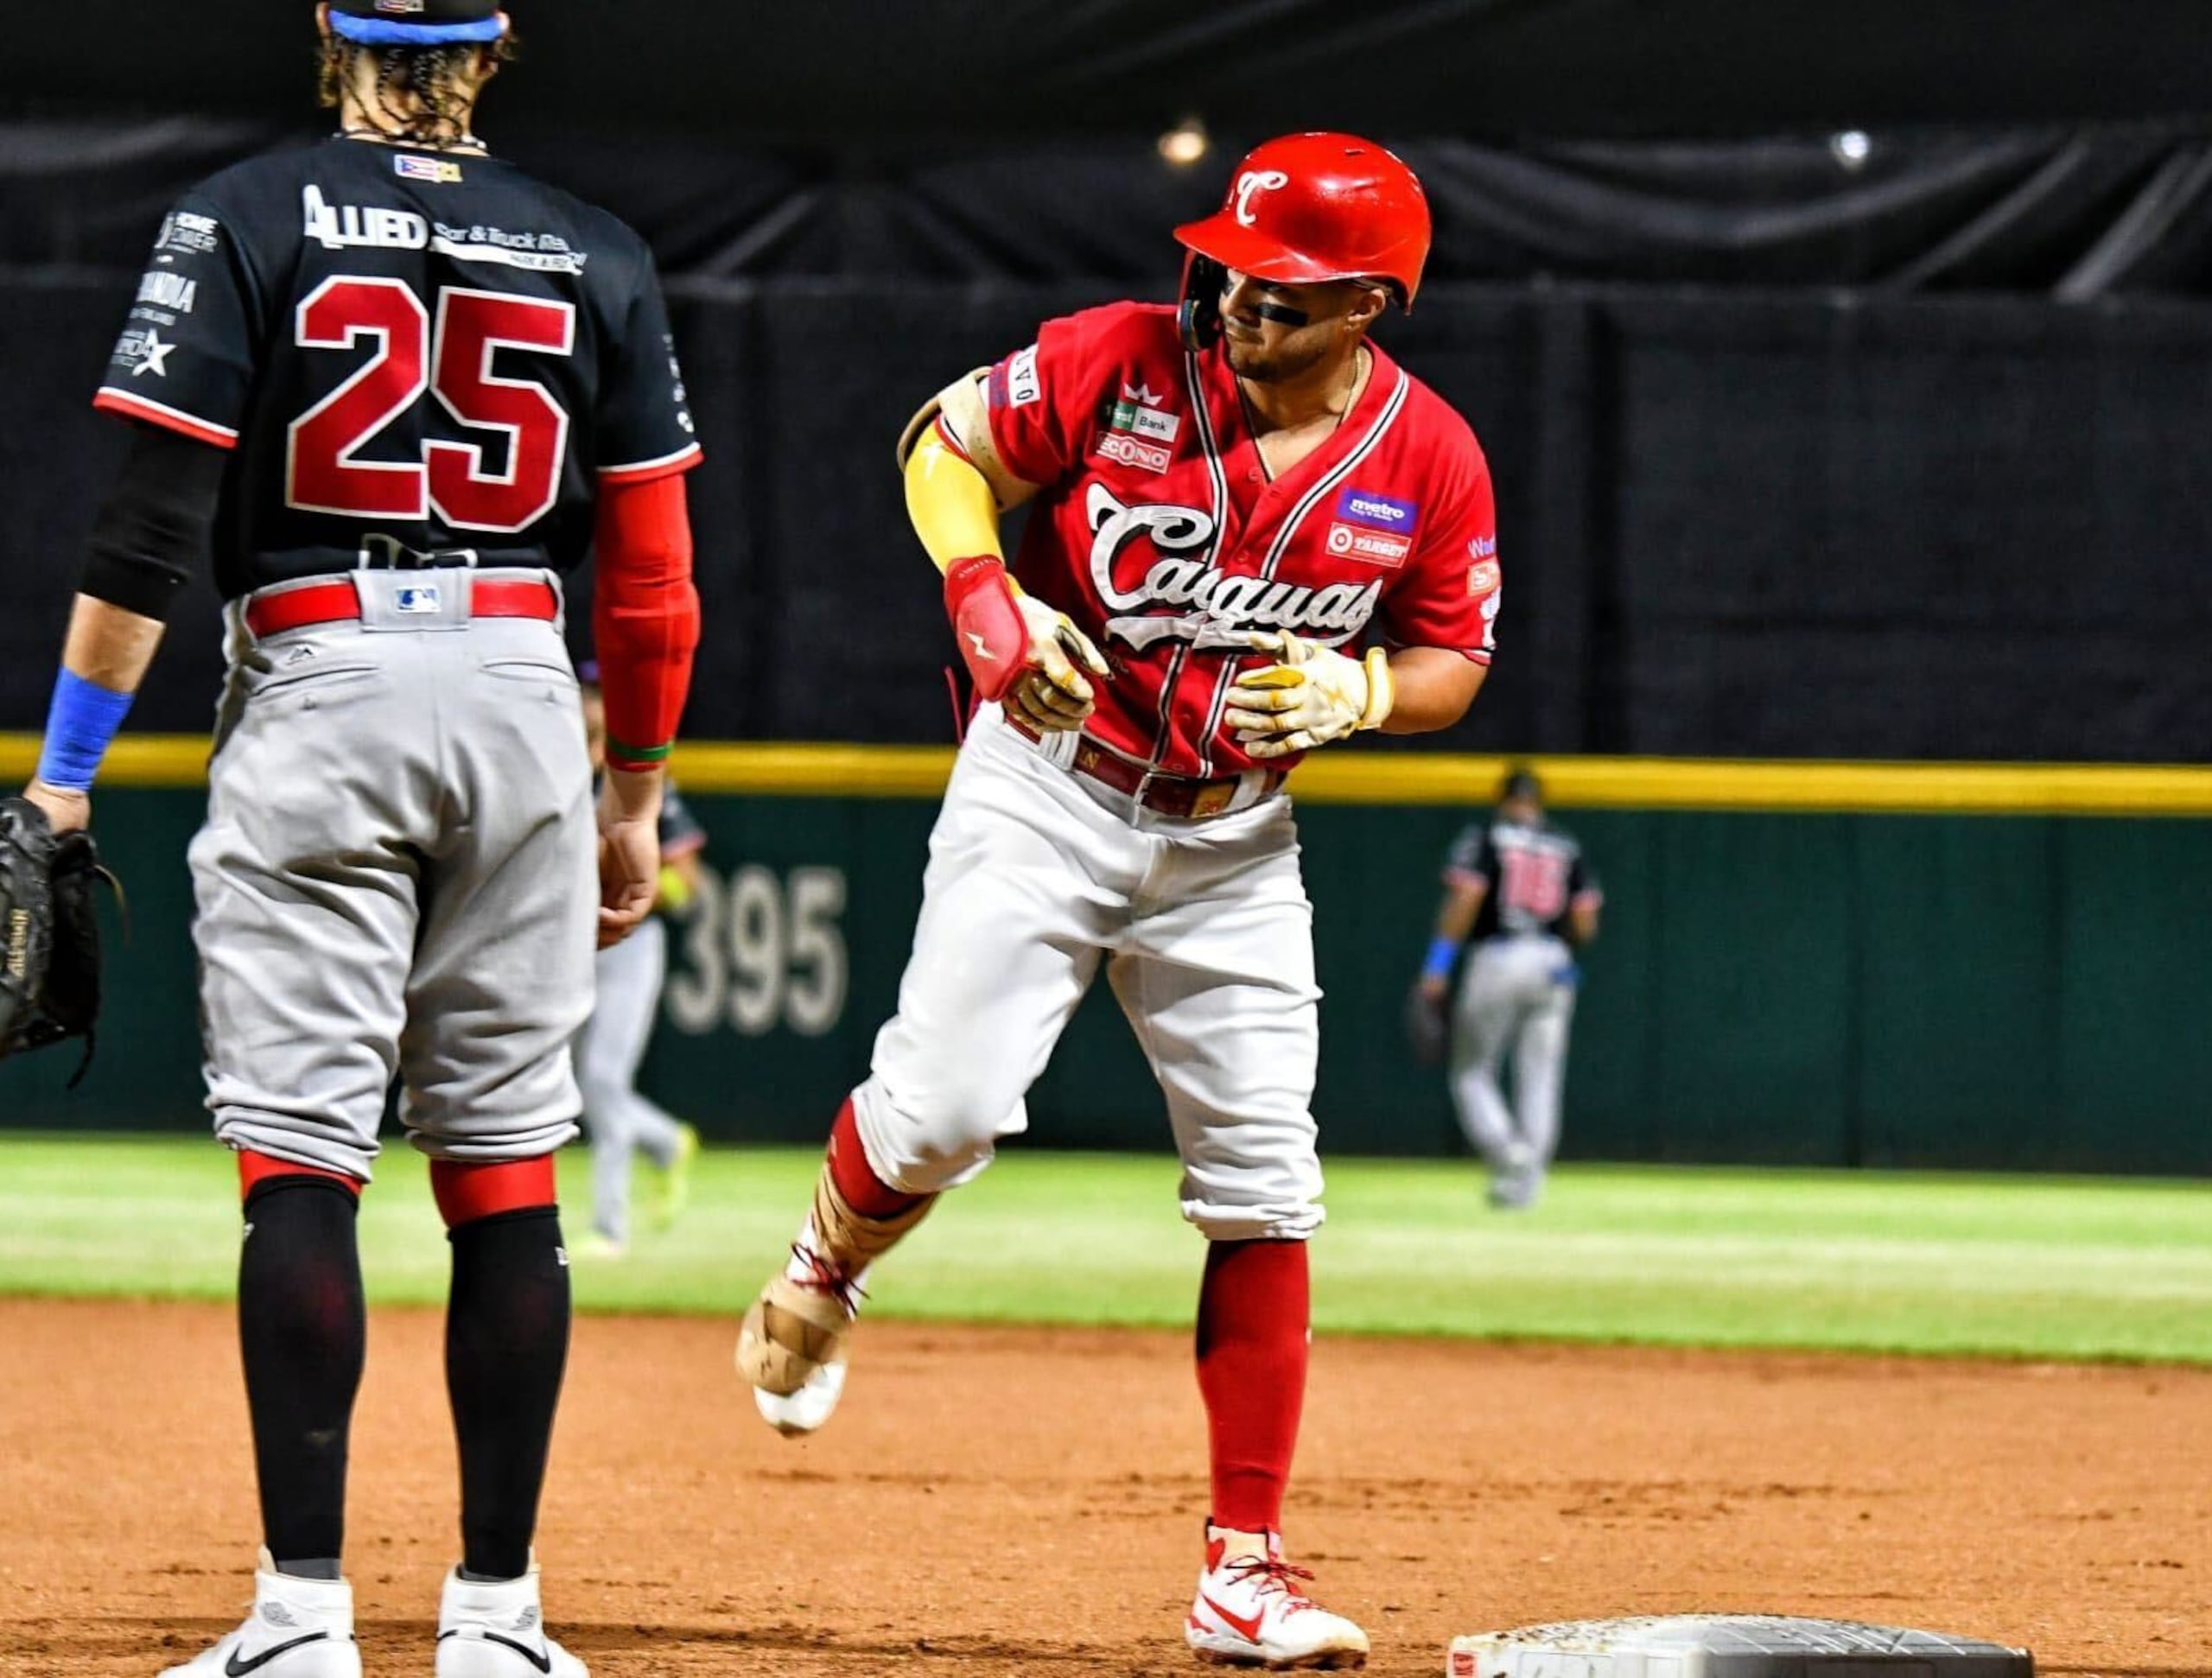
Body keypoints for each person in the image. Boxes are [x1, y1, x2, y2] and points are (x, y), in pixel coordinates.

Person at [734, 132, 1502, 1671]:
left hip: (1233, 844)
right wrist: (987, 594)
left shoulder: (1429, 455)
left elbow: (1454, 657)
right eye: (1230, 269)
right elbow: (942, 446)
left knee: (1268, 1181)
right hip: (1047, 787)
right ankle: (827, 1260)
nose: (1239, 301)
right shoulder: (1125, 358)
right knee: (942, 1115)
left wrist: (1361, 689)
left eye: (1283, 290)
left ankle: (1245, 1568)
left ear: (1369, 303)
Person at [17, 4, 702, 1674]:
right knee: (507, 1161)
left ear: (333, 30)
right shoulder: (597, 247)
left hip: (321, 673)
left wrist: (64, 778)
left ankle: (302, 1619)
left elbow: (150, 527)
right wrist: (633, 798)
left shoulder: (245, 214)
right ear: (498, 43)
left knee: (302, 1159)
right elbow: (655, 579)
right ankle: (501, 1620)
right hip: (527, 688)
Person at [1413, 767, 1601, 1209]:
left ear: (1502, 800)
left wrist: (1437, 965)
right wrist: (1559, 952)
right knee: (1541, 1077)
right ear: (1538, 802)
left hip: (1499, 955)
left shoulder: (1487, 837)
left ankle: (1508, 1152)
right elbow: (1585, 922)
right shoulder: (1565, 844)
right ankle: (1527, 1183)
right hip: (1553, 960)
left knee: (1472, 1071)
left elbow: (1466, 898)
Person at [573, 666, 705, 1257]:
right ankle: (666, 1141)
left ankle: (610, 1228)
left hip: (629, 945)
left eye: (601, 695)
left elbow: (687, 882)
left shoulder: (642, 779)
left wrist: (633, 890)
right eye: (585, 693)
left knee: (604, 1080)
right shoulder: (557, 770)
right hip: (569, 947)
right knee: (577, 1085)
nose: (590, 704)